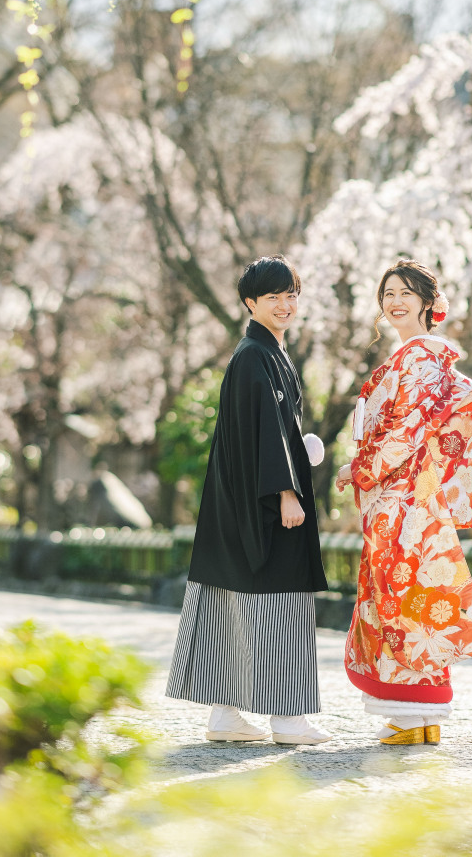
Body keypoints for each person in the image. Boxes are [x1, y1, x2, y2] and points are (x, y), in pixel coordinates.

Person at [166, 254, 331, 746]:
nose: (284, 304)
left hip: (236, 502)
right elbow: (264, 432)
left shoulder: (257, 354)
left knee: (231, 601)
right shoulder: (255, 357)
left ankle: (225, 715)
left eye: (290, 294)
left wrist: (298, 453)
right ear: (250, 303)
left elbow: (268, 431)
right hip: (266, 503)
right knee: (279, 603)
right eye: (272, 297)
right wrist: (287, 490)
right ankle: (288, 719)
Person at [335, 258, 472, 745]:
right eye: (388, 294)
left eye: (406, 292)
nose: (396, 301)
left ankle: (412, 716)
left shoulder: (422, 355)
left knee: (403, 597)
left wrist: (357, 469)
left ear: (429, 303)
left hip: (403, 498)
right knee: (415, 597)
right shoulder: (416, 355)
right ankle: (418, 718)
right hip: (405, 497)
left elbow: (406, 431)